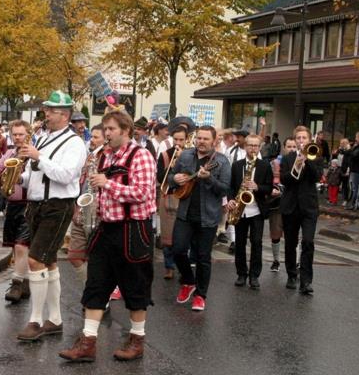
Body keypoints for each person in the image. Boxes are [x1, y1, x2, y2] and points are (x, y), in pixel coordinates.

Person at [59, 110, 156, 363]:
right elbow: (97, 190)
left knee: (135, 287)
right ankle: (88, 343)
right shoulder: (104, 156)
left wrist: (107, 184)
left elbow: (143, 193)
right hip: (106, 227)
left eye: (111, 129)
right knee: (96, 284)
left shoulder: (141, 155)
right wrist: (87, 204)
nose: (106, 134)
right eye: (105, 129)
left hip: (134, 229)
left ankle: (137, 340)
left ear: (125, 130)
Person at [16, 90, 87, 341]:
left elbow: (66, 175)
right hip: (37, 205)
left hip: (58, 205)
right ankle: (55, 319)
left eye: (51, 110)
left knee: (35, 261)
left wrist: (38, 157)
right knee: (50, 261)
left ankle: (35, 320)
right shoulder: (42, 138)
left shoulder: (75, 143)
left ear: (65, 114)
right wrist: (18, 177)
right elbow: (34, 175)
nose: (46, 113)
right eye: (46, 109)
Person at [168, 126, 231, 311]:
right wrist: (175, 178)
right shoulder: (186, 156)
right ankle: (188, 281)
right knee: (178, 250)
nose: (201, 141)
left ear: (214, 141)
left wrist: (209, 178)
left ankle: (200, 295)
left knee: (203, 258)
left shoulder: (221, 161)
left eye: (205, 139)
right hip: (185, 213)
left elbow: (225, 189)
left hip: (208, 216)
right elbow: (171, 177)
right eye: (199, 138)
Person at [0, 120, 32, 302]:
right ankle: (25, 282)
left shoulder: (33, 154)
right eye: (15, 134)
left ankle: (17, 284)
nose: (18, 137)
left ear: (28, 134)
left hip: (29, 205)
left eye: (21, 134)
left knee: (21, 246)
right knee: (15, 247)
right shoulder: (11, 152)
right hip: (12, 205)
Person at [280, 125, 323, 295]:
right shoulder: (288, 158)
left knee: (308, 242)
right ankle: (292, 275)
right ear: (295, 140)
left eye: (304, 138)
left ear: (309, 140)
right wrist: (296, 166)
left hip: (309, 207)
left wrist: (307, 161)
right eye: (298, 138)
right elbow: (285, 180)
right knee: (290, 243)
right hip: (290, 206)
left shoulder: (316, 157)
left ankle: (306, 281)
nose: (301, 141)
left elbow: (316, 177)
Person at [227, 134, 273, 289]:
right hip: (240, 210)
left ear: (259, 148)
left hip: (256, 211)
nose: (253, 148)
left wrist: (257, 187)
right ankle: (241, 274)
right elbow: (231, 187)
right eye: (250, 145)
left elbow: (269, 187)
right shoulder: (236, 165)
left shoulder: (265, 166)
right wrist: (231, 199)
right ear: (245, 146)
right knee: (239, 243)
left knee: (257, 242)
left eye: (256, 146)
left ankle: (254, 276)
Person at [69, 124, 105, 289]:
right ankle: (92, 289)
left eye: (96, 137)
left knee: (96, 258)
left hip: (97, 211)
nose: (92, 140)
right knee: (74, 256)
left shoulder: (106, 157)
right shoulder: (90, 155)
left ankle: (96, 295)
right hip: (81, 208)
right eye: (92, 136)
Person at [157, 125, 188, 280]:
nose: (178, 143)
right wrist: (173, 167)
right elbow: (159, 177)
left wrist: (183, 162)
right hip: (167, 196)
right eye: (175, 139)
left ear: (186, 140)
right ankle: (169, 267)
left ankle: (183, 268)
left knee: (182, 236)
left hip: (184, 197)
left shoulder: (190, 154)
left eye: (181, 140)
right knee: (167, 235)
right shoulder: (164, 155)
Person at [267, 137, 297, 272]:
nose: (291, 149)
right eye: (289, 146)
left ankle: (295, 262)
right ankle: (276, 260)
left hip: (294, 204)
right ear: (284, 148)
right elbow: (267, 180)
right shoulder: (274, 163)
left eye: (294, 147)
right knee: (275, 233)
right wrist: (272, 189)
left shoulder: (300, 161)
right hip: (277, 204)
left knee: (293, 235)